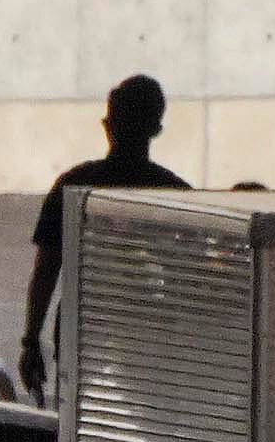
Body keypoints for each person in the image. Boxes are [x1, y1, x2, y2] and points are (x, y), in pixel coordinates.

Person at [22, 73, 186, 390]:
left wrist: (31, 341)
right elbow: (187, 282)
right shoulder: (177, 196)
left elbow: (46, 271)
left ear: (107, 124)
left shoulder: (73, 186)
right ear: (157, 129)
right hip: (152, 342)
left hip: (82, 335)